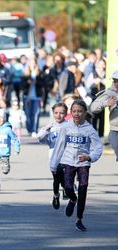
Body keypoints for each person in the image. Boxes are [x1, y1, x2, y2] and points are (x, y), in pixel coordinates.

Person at [50, 100, 102, 231]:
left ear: (85, 113)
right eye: (74, 111)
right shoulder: (65, 127)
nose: (77, 114)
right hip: (68, 162)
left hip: (83, 162)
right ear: (71, 113)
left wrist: (89, 157)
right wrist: (53, 165)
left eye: (80, 111)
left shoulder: (90, 130)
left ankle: (79, 219)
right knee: (68, 188)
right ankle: (73, 200)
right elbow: (59, 146)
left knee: (83, 187)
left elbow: (98, 148)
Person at [37, 103, 68, 209]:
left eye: (62, 113)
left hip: (66, 157)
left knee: (65, 176)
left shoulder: (69, 126)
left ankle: (65, 188)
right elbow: (40, 138)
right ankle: (56, 195)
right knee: (57, 179)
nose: (58, 115)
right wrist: (46, 128)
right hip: (54, 158)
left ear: (66, 113)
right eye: (56, 113)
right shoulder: (50, 126)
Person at [91, 70, 118, 161]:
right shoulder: (109, 93)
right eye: (115, 81)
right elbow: (93, 108)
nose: (117, 83)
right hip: (115, 130)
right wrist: (106, 103)